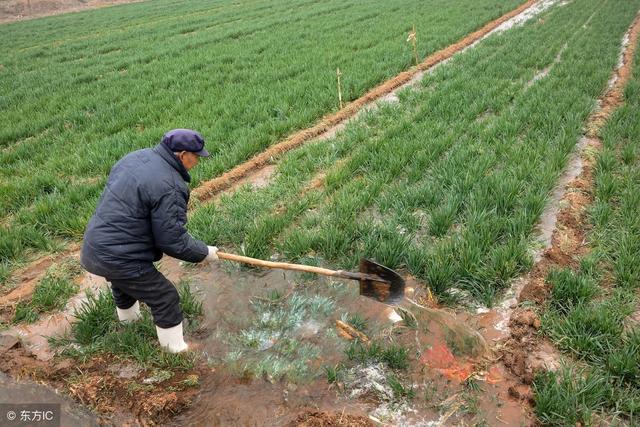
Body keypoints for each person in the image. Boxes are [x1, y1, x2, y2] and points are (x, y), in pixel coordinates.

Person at [80, 129, 219, 353]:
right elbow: (173, 240)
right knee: (165, 297)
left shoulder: (135, 158)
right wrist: (204, 252)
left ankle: (129, 326)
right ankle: (175, 352)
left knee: (124, 282)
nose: (198, 161)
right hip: (119, 255)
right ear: (183, 155)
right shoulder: (171, 185)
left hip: (95, 245)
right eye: (196, 156)